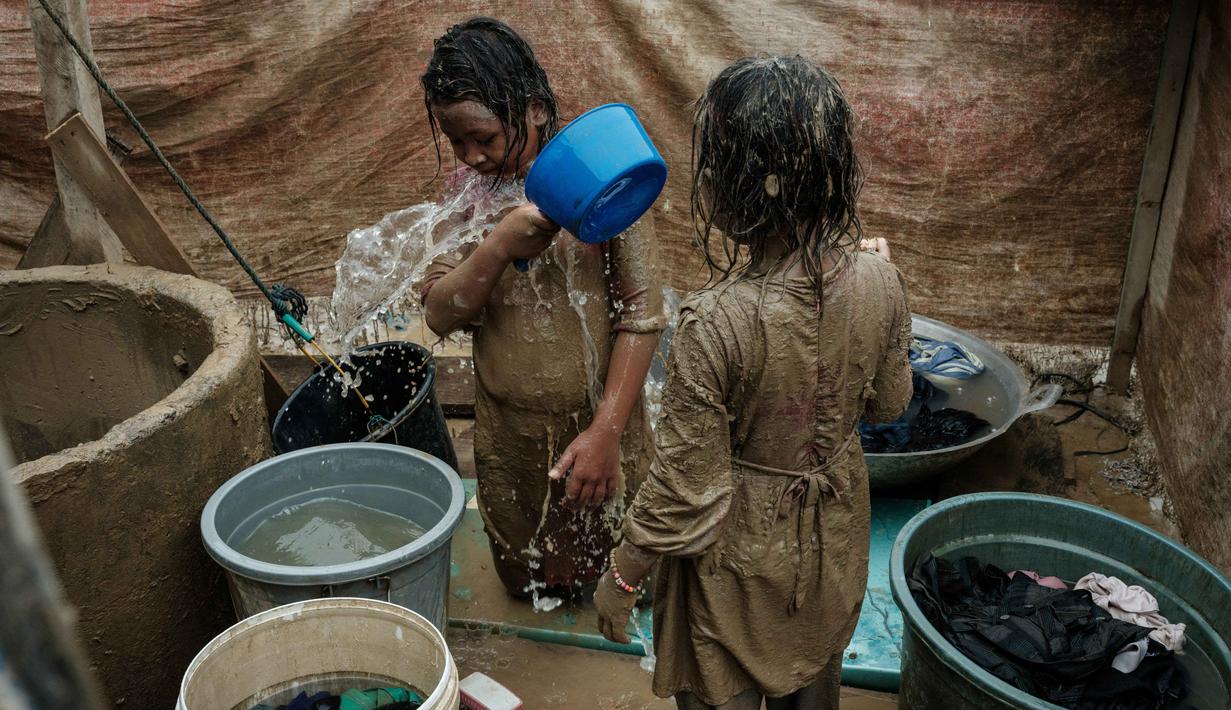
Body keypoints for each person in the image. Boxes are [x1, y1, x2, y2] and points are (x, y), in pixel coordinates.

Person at [593, 56, 913, 709]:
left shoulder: (713, 323)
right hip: (832, 534)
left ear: (737, 190)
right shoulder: (881, 281)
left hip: (736, 560)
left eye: (710, 171)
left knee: (722, 684)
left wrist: (621, 577)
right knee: (814, 675)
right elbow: (889, 403)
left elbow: (689, 488)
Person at [418, 18, 665, 599]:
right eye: (457, 141)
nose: (473, 156)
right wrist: (498, 245)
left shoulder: (604, 179)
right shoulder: (462, 198)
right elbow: (439, 313)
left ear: (532, 109)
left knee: (620, 580)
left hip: (601, 424)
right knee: (523, 579)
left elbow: (642, 311)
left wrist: (606, 431)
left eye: (484, 137)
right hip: (508, 437)